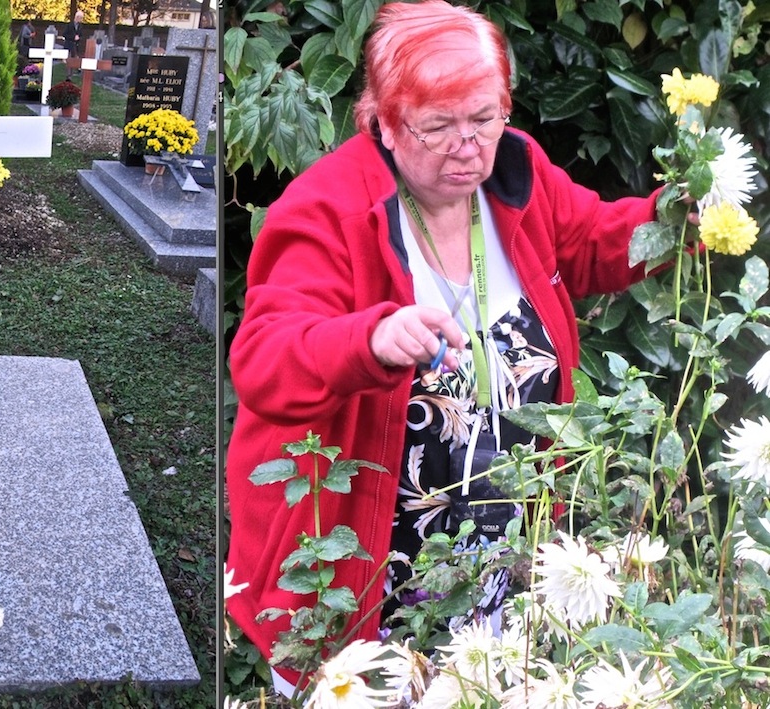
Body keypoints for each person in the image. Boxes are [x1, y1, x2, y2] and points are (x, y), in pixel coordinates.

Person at [222, 0, 660, 692]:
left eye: (484, 118)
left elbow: (591, 242)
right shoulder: (326, 208)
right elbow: (263, 357)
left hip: (500, 570)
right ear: (385, 123)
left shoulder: (517, 176)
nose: (469, 144)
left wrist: (675, 217)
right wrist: (367, 337)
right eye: (438, 126)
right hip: (361, 576)